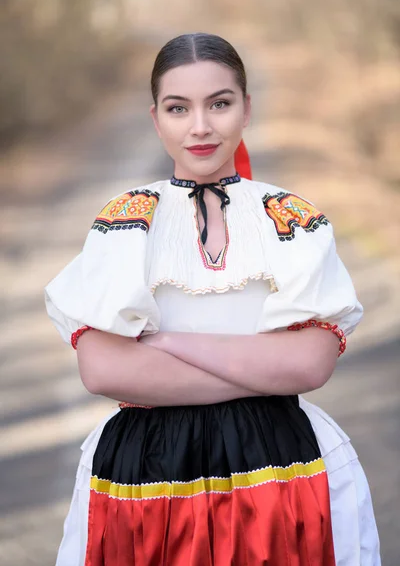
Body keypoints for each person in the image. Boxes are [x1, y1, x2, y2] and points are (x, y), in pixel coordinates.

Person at [45, 33, 381, 565]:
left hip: (283, 467)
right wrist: (259, 369)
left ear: (246, 109)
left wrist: (169, 341)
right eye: (179, 108)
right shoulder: (126, 220)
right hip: (145, 472)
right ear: (156, 119)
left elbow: (310, 364)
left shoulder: (289, 216)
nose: (200, 127)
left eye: (219, 104)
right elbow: (103, 370)